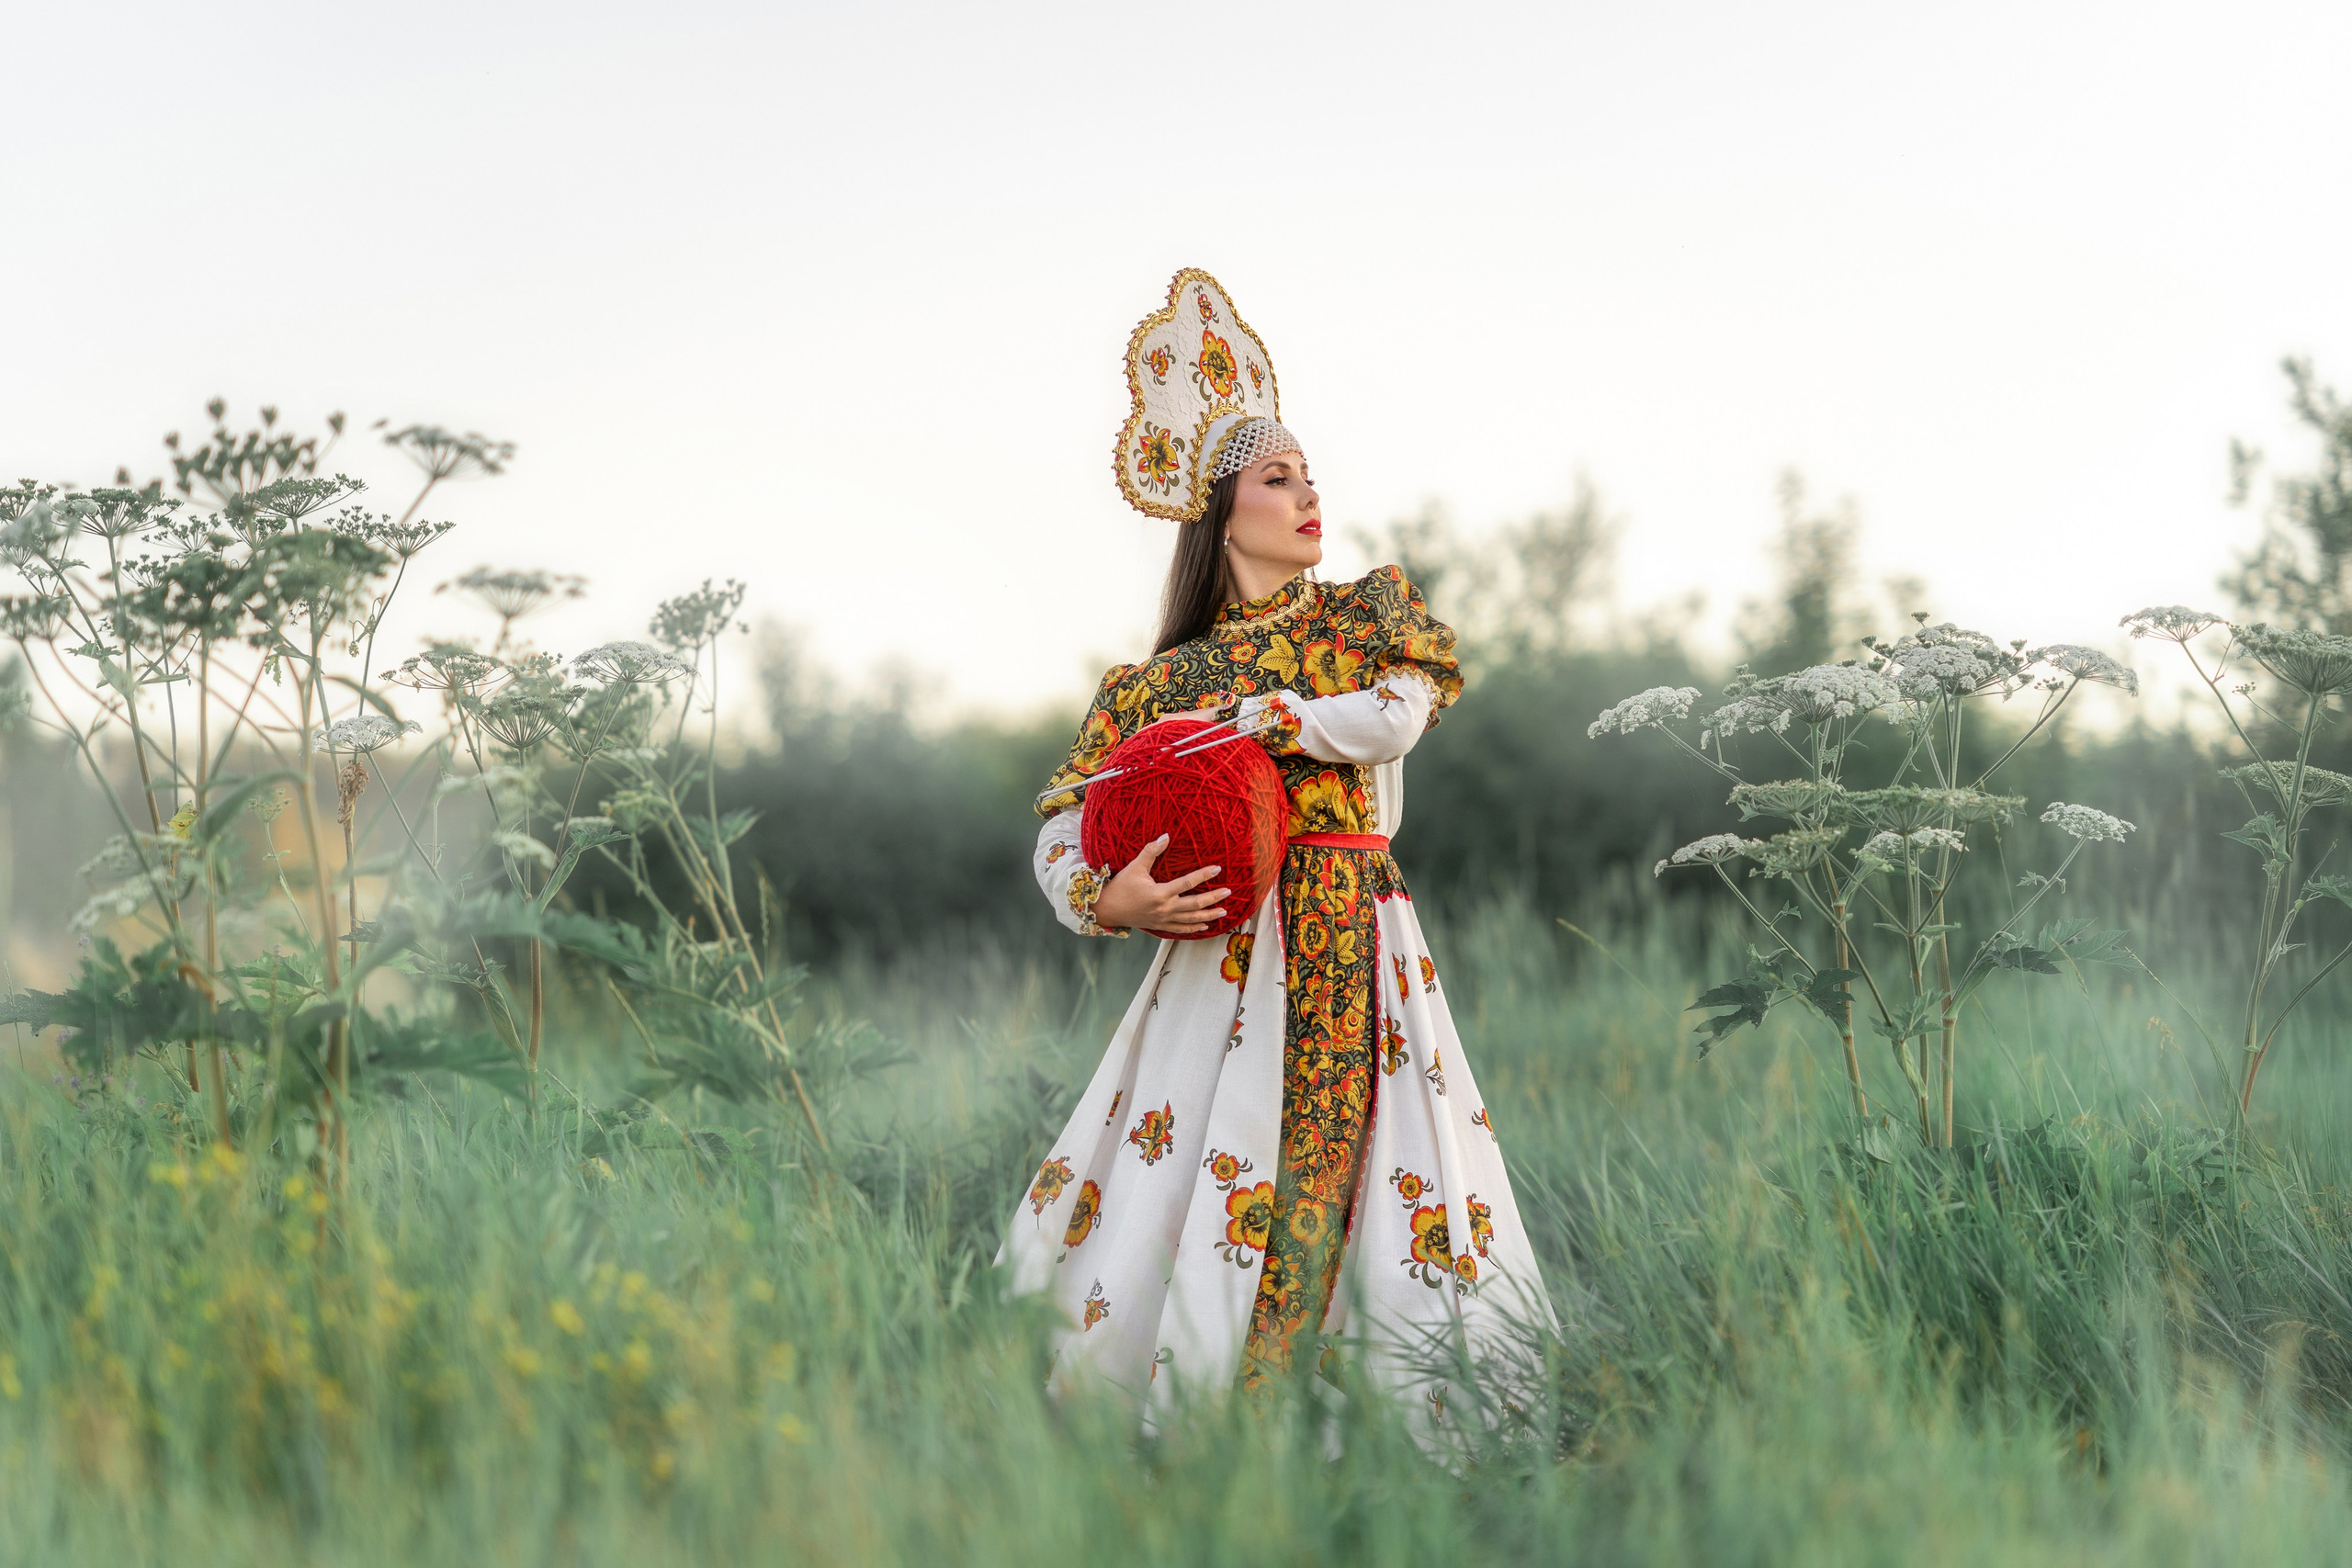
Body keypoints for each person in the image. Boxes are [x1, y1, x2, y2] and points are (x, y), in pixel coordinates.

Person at [1002, 270, 1550, 1424]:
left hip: (1359, 924)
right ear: (1221, 512)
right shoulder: (1157, 685)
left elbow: (1398, 717)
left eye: (1307, 474)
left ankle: (1384, 1426)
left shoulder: (1363, 619)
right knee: (1205, 1162)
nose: (1308, 494)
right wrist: (1108, 901)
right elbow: (1065, 820)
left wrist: (1279, 720)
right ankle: (1196, 1420)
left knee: (1379, 1161)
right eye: (1276, 477)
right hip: (1219, 951)